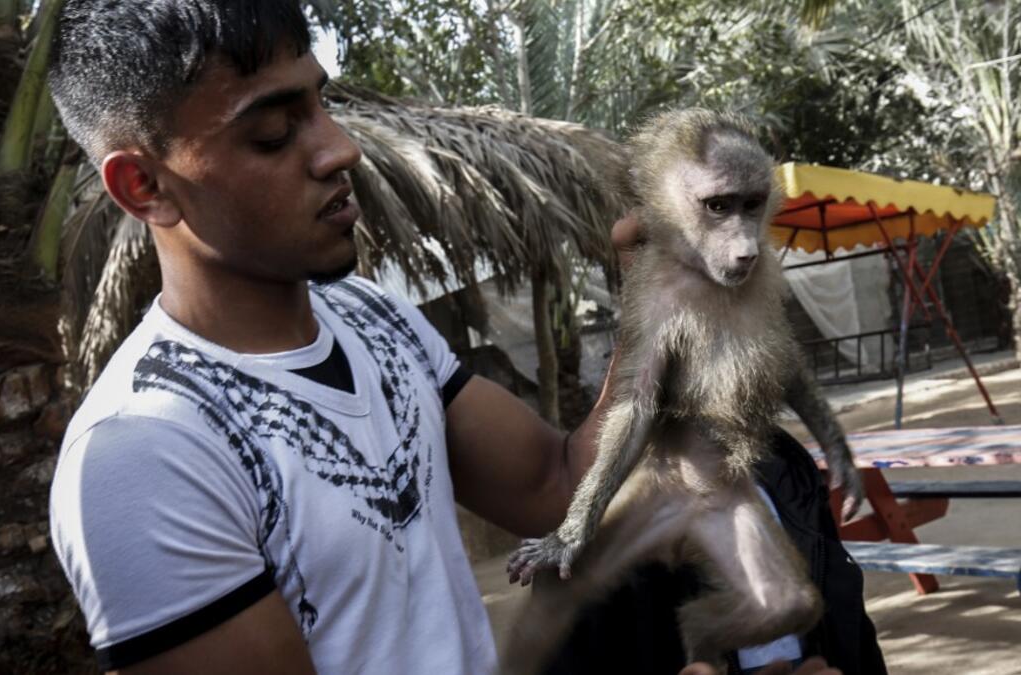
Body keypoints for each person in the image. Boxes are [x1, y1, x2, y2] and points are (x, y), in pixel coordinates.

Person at [45, 2, 876, 673]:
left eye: (322, 105)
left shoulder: (374, 322)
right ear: (144, 185)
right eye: (272, 134)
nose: (339, 149)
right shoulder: (144, 452)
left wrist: (657, 301)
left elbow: (554, 484)